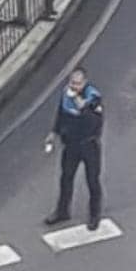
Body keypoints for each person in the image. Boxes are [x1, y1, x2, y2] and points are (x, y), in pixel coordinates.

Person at [43, 68, 105, 230]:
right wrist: (54, 132)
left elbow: (94, 122)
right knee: (66, 178)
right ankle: (62, 211)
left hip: (89, 145)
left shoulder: (93, 98)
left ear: (84, 83)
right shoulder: (66, 94)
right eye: (72, 83)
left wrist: (82, 106)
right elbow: (61, 114)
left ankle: (94, 215)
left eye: (78, 84)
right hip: (71, 144)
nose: (74, 86)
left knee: (92, 180)